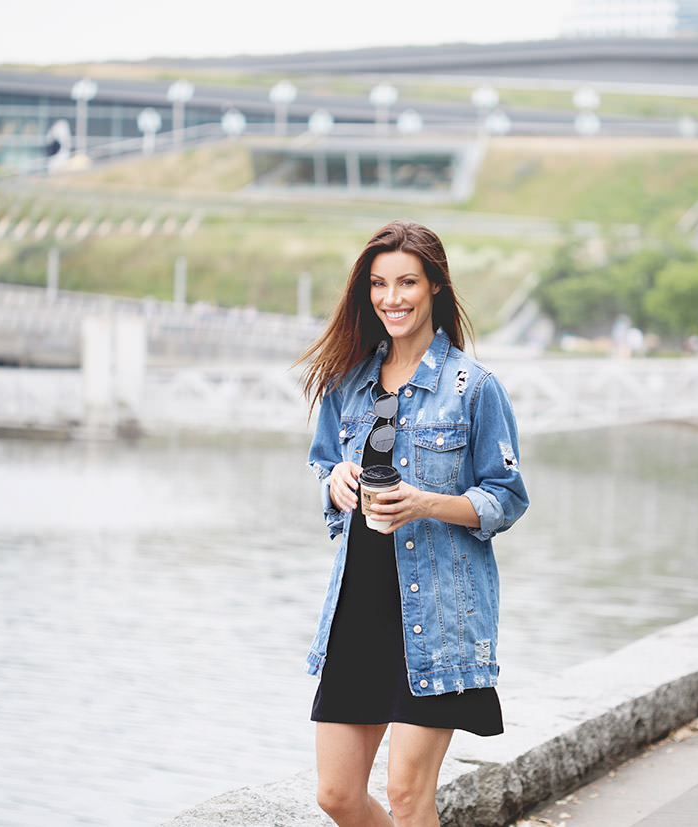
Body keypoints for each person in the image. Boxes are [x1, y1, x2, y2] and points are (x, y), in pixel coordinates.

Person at [295, 220, 530, 826]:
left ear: (434, 289)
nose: (391, 298)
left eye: (406, 282)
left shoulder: (472, 388)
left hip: (438, 616)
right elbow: (324, 460)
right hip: (358, 608)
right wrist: (335, 481)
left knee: (406, 795)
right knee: (337, 795)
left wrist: (425, 502)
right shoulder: (349, 381)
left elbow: (505, 497)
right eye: (378, 284)